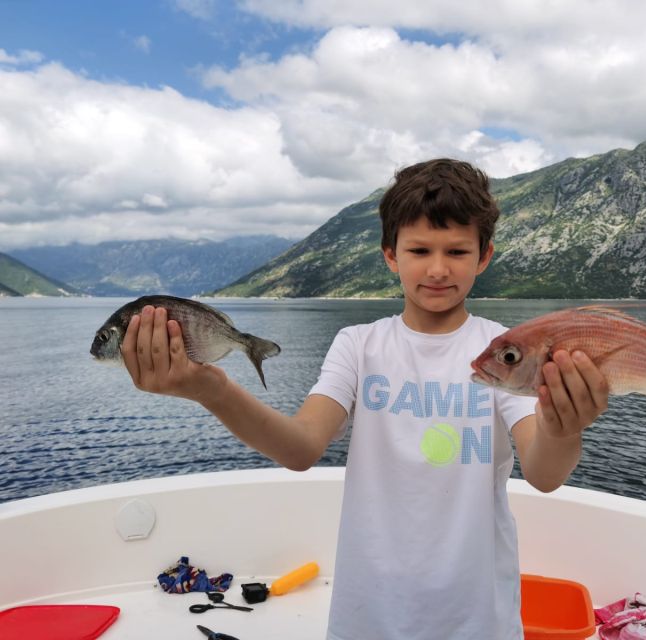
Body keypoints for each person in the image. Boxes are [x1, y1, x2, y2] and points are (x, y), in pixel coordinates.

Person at [122, 158, 609, 640]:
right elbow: (300, 447)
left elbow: (545, 474)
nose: (438, 269)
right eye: (419, 250)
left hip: (477, 618)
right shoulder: (358, 345)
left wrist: (563, 426)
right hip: (369, 615)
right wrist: (212, 389)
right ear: (390, 255)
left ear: (484, 256)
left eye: (457, 252)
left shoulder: (506, 350)